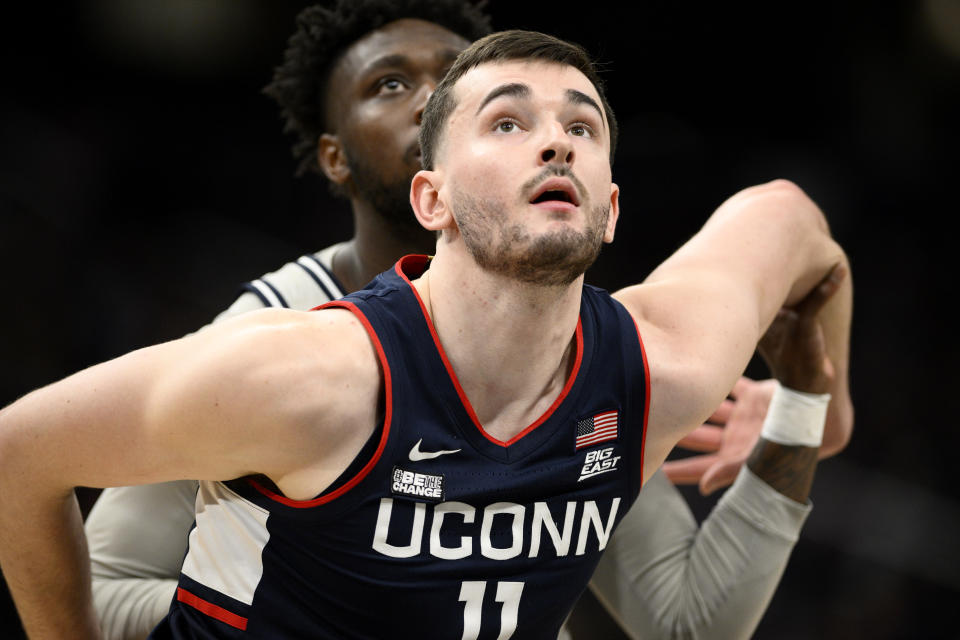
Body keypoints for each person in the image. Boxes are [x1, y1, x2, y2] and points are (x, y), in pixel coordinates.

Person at [0, 27, 853, 640]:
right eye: (510, 123)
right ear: (430, 198)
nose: (555, 141)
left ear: (612, 209)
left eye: (580, 127)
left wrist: (819, 408)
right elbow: (17, 450)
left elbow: (787, 218)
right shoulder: (297, 372)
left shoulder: (661, 362)